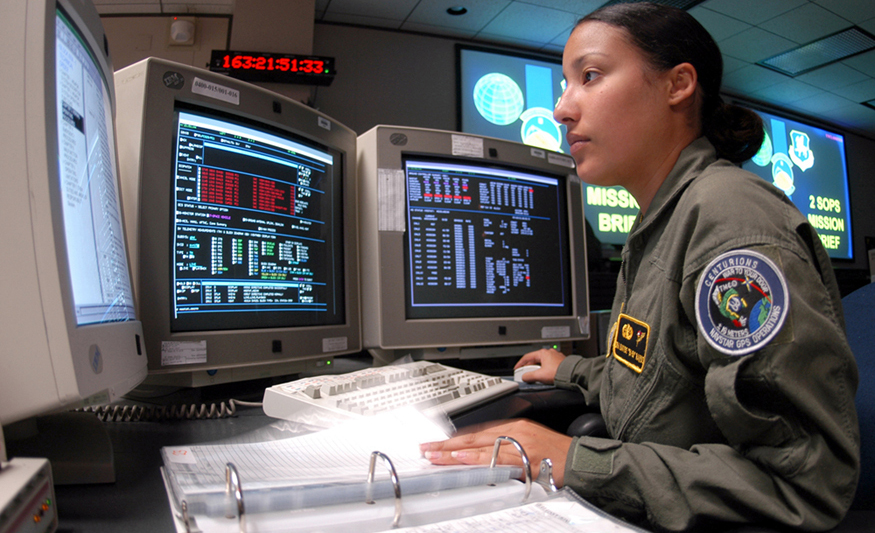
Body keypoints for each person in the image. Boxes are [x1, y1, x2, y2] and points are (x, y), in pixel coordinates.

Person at [421, 3, 860, 531]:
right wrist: (572, 370)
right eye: (566, 84)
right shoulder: (660, 222)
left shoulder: (729, 217)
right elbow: (658, 375)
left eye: (590, 76)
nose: (562, 109)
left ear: (678, 85)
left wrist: (576, 461)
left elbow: (802, 485)